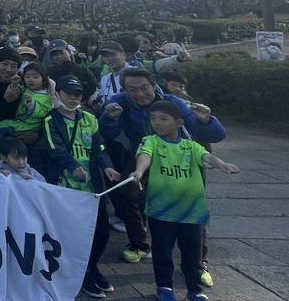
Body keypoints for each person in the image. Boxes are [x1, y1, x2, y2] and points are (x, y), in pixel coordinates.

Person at [98, 68, 226, 266]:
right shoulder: (121, 101)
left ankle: (200, 261)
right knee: (128, 192)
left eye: (144, 88)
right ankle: (140, 244)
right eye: (132, 89)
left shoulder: (173, 103)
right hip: (144, 154)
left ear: (154, 85)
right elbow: (107, 131)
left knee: (192, 204)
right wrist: (110, 118)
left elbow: (216, 135)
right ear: (124, 89)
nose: (139, 94)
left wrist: (206, 121)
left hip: (181, 156)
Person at [131, 100, 239, 301]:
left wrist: (221, 163)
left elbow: (207, 157)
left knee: (192, 255)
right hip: (160, 211)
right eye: (153, 119)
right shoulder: (151, 140)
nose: (157, 123)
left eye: (164, 119)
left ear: (179, 122)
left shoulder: (191, 146)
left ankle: (195, 290)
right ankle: (164, 287)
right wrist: (139, 170)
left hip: (192, 212)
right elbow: (144, 156)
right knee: (162, 253)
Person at [45, 75, 121, 299]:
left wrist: (107, 167)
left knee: (101, 233)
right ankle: (81, 274)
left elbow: (100, 147)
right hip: (66, 189)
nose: (73, 98)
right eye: (69, 93)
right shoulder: (51, 119)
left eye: (78, 94)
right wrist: (73, 165)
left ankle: (91, 266)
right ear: (58, 94)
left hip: (93, 188)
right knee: (73, 235)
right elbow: (54, 148)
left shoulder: (90, 118)